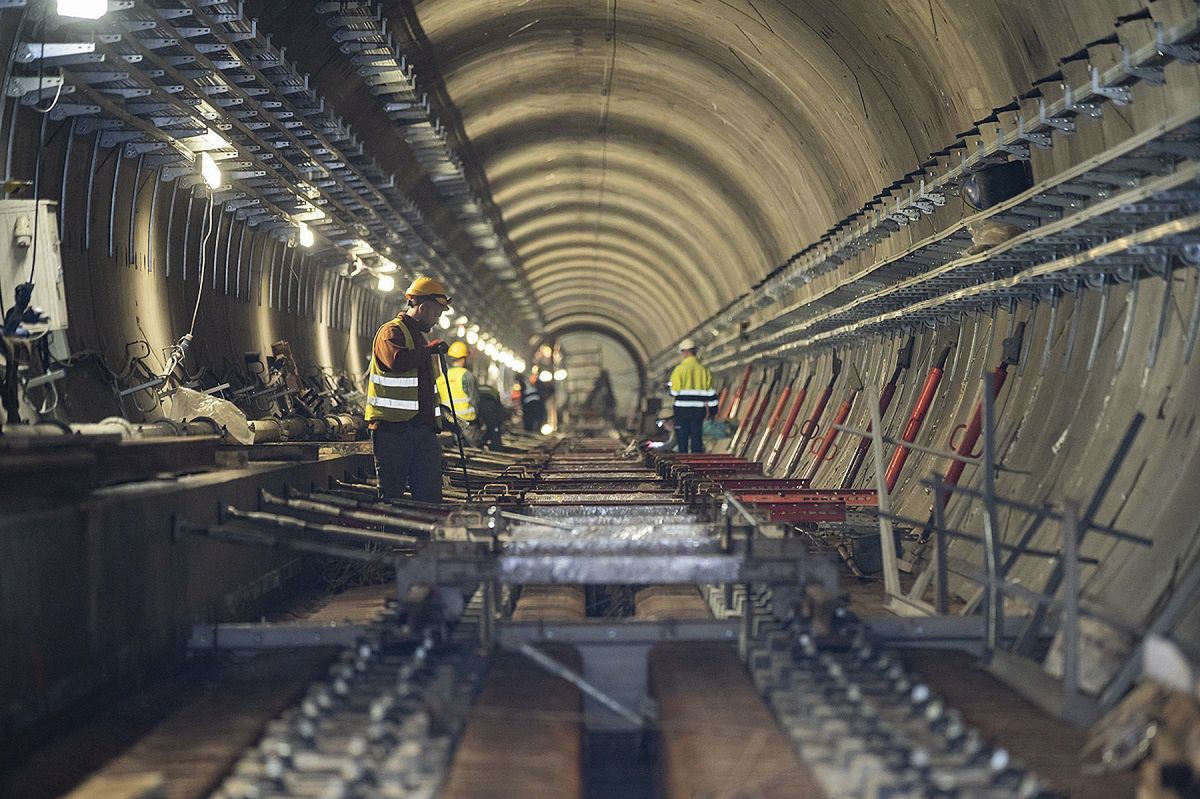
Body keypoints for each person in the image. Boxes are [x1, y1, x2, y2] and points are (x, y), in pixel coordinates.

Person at [365, 276, 452, 503]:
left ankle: (426, 536)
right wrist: (430, 350)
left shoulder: (420, 339)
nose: (436, 321)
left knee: (430, 497)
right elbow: (396, 361)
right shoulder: (391, 332)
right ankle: (394, 537)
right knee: (393, 496)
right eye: (435, 314)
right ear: (422, 308)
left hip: (422, 431)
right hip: (394, 432)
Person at [668, 338, 717, 453]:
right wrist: (713, 411)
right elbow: (711, 394)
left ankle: (683, 467)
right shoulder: (704, 370)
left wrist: (669, 390)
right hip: (697, 412)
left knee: (682, 441)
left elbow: (674, 392)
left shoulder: (679, 370)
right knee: (696, 441)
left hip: (682, 412)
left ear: (685, 352)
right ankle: (696, 466)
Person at [435, 340, 481, 445]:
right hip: (468, 424)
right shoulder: (466, 375)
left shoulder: (441, 378)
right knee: (474, 450)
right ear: (463, 359)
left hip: (449, 423)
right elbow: (475, 400)